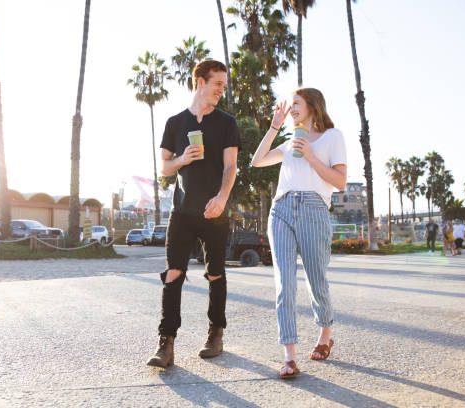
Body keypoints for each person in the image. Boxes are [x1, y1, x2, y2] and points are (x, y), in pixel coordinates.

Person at [146, 60, 242, 368]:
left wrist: (222, 198)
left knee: (215, 273)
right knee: (174, 273)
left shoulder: (227, 123)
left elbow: (231, 166)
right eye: (217, 84)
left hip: (215, 211)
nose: (221, 90)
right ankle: (166, 343)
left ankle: (216, 333)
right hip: (182, 211)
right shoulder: (175, 123)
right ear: (199, 81)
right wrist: (182, 159)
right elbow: (164, 166)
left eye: (224, 85)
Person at [251, 88, 347, 379]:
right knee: (285, 283)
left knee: (316, 279)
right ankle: (289, 356)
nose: (291, 108)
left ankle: (325, 333)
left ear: (312, 105)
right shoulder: (289, 138)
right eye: (290, 104)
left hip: (314, 208)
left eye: (296, 104)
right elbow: (257, 161)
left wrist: (311, 156)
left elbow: (340, 181)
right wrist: (273, 128)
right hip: (281, 209)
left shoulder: (333, 137)